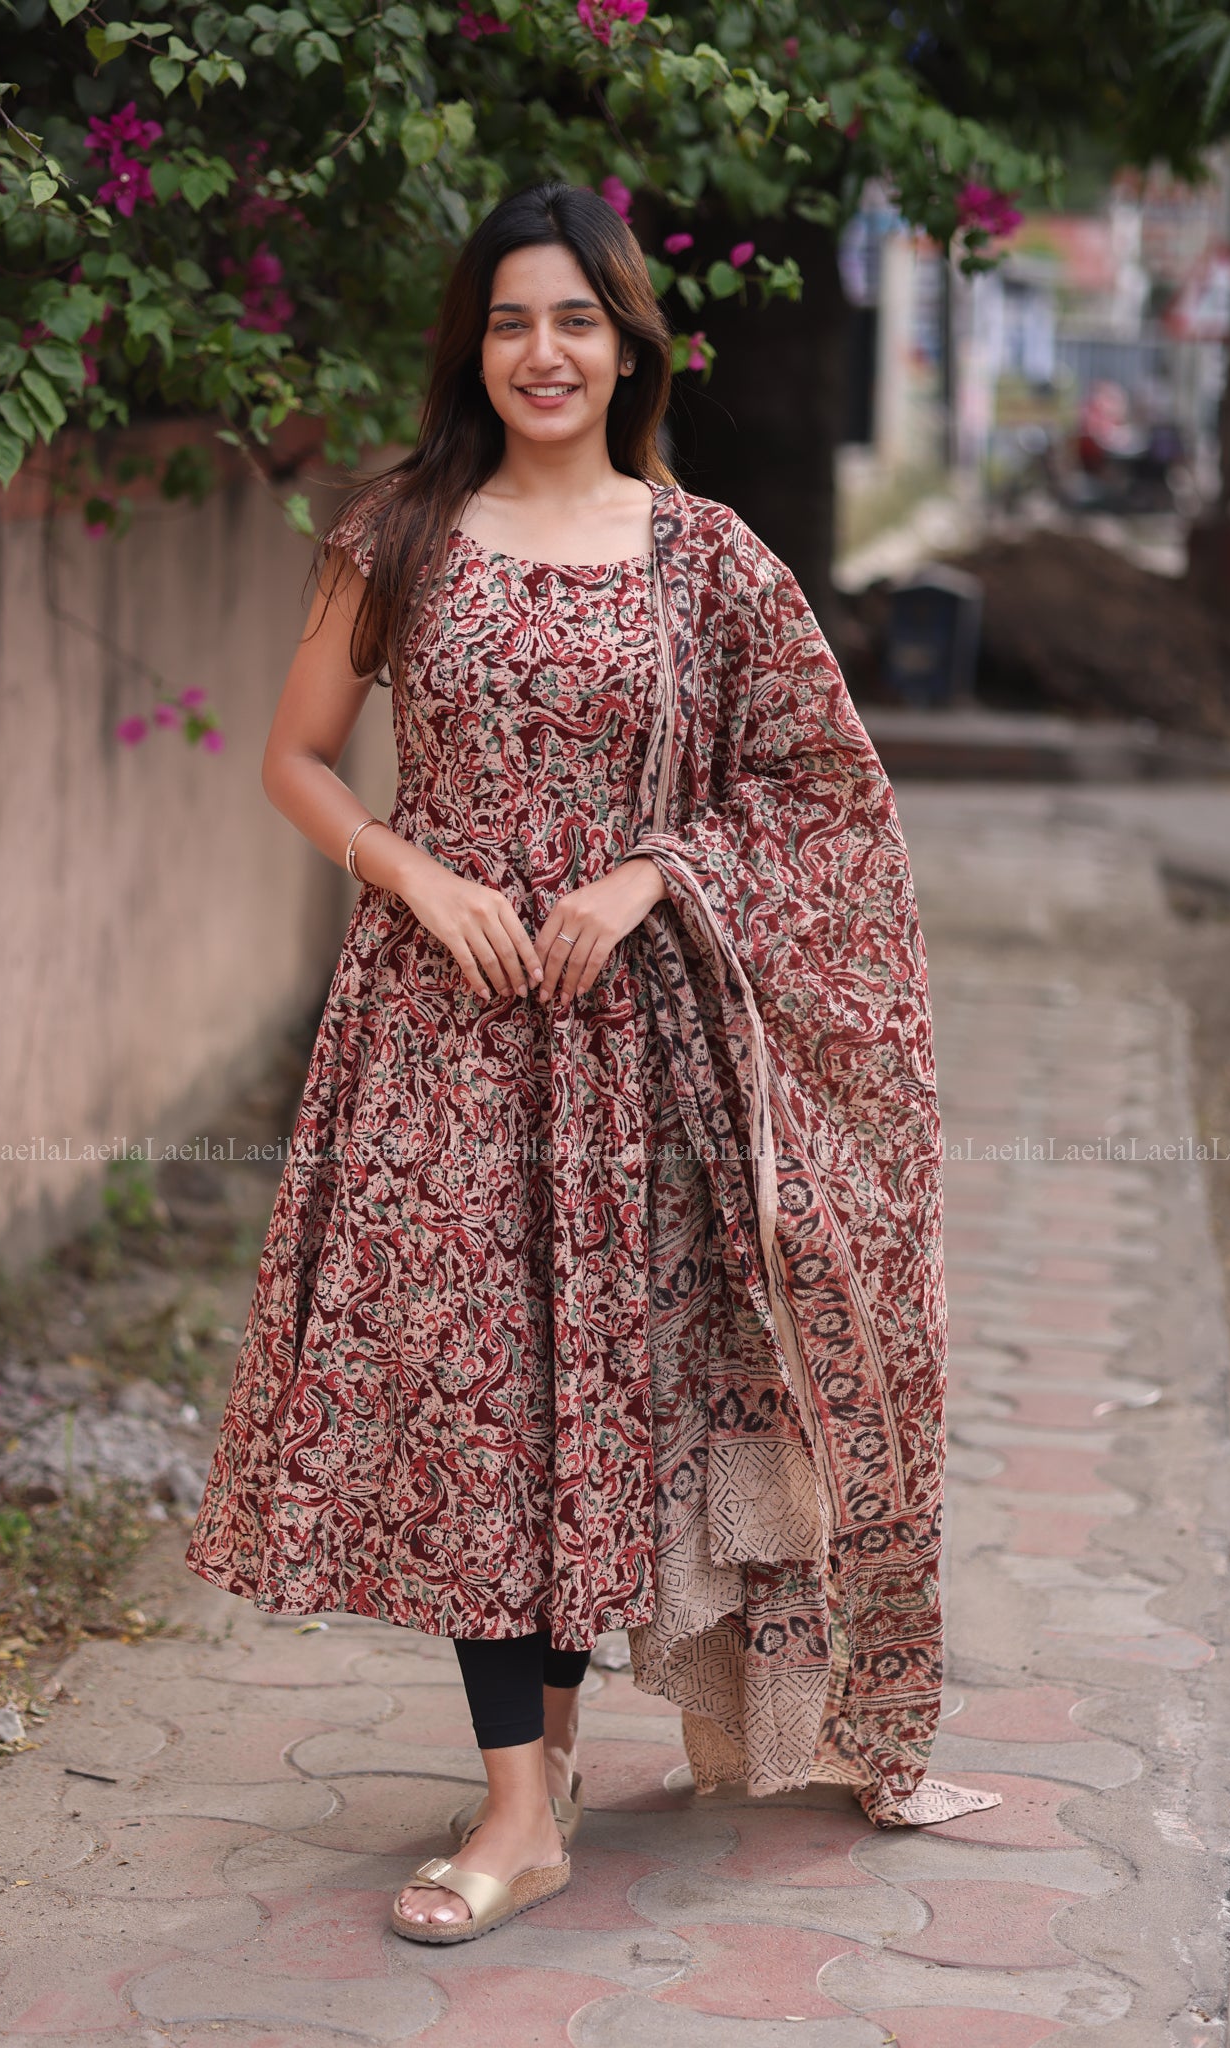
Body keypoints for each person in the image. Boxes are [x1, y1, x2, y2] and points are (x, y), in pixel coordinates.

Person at [186, 179, 996, 1949]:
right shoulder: (395, 531)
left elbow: (818, 795)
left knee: (585, 1416)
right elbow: (301, 759)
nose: (539, 353)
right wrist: (411, 872)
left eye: (572, 320)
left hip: (633, 1060)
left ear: (628, 342)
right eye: (505, 321)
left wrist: (651, 875)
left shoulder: (702, 560)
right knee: (476, 1403)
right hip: (436, 1040)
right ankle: (515, 1803)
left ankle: (538, 1769)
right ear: (469, 346)